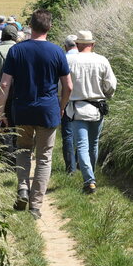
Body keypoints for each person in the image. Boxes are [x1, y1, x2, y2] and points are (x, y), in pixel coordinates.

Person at [0, 9, 72, 217]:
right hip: (48, 110)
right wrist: (62, 106)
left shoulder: (17, 51)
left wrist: (1, 112)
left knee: (22, 150)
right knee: (44, 157)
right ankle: (36, 204)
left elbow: (4, 83)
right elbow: (68, 86)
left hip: (22, 109)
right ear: (49, 27)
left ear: (30, 25)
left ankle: (22, 188)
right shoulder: (57, 52)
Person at [65, 30, 116, 194]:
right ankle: (90, 178)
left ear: (77, 45)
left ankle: (89, 180)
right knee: (93, 144)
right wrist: (106, 95)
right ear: (92, 44)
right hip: (97, 108)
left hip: (77, 108)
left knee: (81, 145)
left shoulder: (68, 60)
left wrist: (62, 100)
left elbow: (62, 85)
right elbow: (111, 85)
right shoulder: (102, 60)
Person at [0, 23, 21, 163]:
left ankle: (6, 159)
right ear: (15, 36)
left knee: (2, 124)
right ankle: (18, 156)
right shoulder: (20, 50)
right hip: (17, 93)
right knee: (17, 124)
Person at [60, 35, 79, 175]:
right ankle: (81, 164)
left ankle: (70, 169)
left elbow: (58, 84)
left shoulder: (62, 59)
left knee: (68, 134)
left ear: (65, 46)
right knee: (82, 134)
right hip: (85, 101)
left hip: (66, 100)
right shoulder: (87, 58)